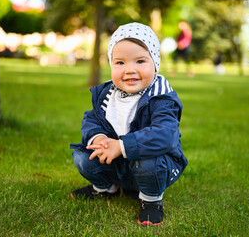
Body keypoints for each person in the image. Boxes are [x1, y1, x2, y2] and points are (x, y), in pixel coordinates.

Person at [70, 22, 188, 226]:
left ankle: (151, 199)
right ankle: (106, 188)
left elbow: (165, 135)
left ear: (155, 63)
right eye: (120, 63)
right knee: (83, 156)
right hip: (119, 166)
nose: (130, 70)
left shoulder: (161, 97)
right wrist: (100, 138)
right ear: (111, 64)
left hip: (151, 166)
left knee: (147, 160)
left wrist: (122, 145)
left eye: (140, 61)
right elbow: (91, 119)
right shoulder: (107, 95)